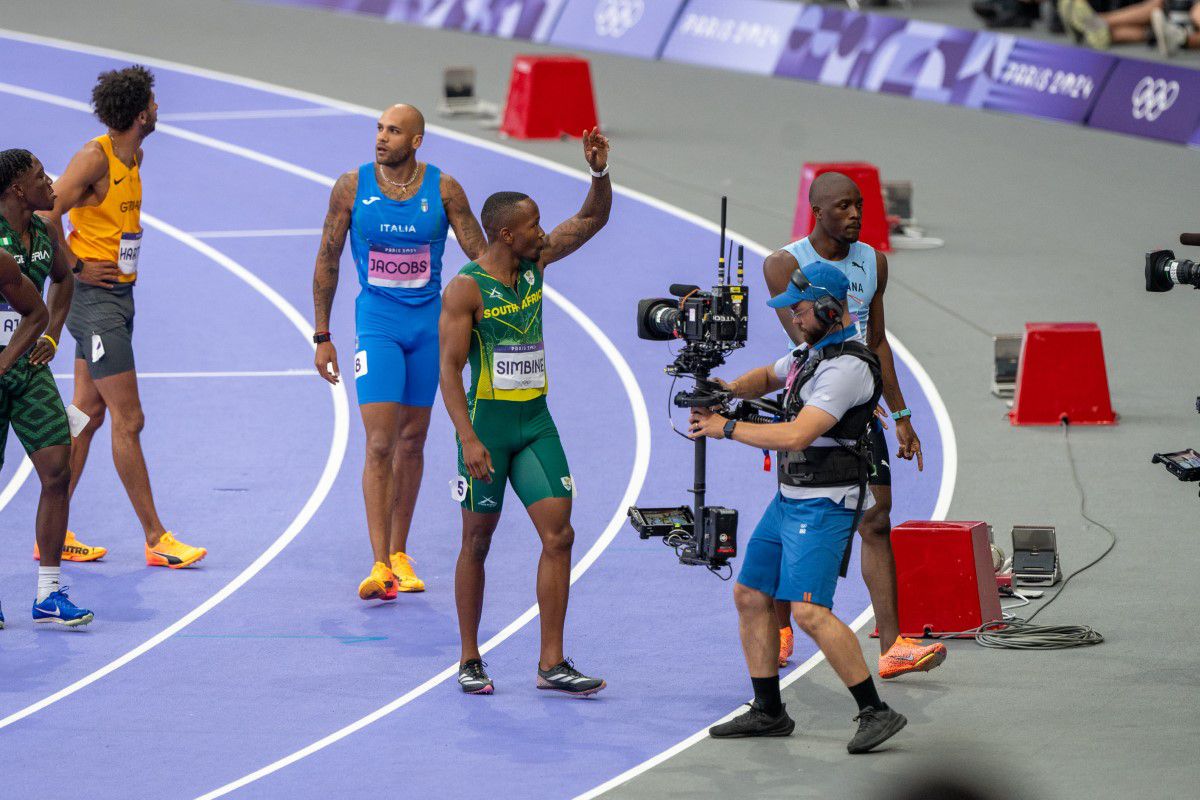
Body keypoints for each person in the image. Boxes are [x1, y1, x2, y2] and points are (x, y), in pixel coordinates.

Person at [691, 263, 906, 752]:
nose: (793, 316)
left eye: (800, 309)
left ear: (830, 309)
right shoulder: (811, 352)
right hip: (790, 498)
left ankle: (875, 710)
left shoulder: (846, 369)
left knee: (809, 612)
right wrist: (727, 391)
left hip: (824, 505)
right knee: (750, 595)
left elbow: (796, 434)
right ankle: (769, 710)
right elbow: (769, 375)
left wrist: (725, 427)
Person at [439, 129, 611, 696]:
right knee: (477, 542)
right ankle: (469, 656)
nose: (544, 232)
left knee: (559, 535)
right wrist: (467, 438)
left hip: (535, 423)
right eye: (534, 225)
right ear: (507, 234)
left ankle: (551, 662)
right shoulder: (467, 290)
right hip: (487, 426)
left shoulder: (536, 262)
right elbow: (450, 370)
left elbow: (591, 220)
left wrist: (598, 174)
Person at [763, 172, 946, 680]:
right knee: (794, 519)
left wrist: (903, 414)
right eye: (844, 206)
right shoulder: (784, 265)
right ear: (817, 211)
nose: (856, 215)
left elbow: (879, 340)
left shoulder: (873, 262)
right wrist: (852, 384)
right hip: (818, 403)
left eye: (860, 205)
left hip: (861, 401)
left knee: (877, 518)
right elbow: (810, 339)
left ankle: (893, 646)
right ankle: (779, 625)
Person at [311, 103, 488, 601]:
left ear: (416, 141)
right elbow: (327, 259)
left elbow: (482, 255)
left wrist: (526, 265)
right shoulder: (351, 187)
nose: (381, 138)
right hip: (379, 325)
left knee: (414, 441)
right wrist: (322, 335)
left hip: (429, 327)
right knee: (380, 443)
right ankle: (378, 563)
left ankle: (399, 551)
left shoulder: (445, 189)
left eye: (393, 131)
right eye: (379, 129)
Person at [45, 64, 206, 569]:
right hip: (95, 303)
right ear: (140, 114)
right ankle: (157, 538)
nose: (159, 108)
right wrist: (73, 264)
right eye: (154, 104)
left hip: (118, 298)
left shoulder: (131, 155)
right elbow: (44, 213)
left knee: (87, 414)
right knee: (128, 418)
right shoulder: (94, 159)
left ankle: (52, 530)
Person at [0, 149, 93, 627]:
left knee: (58, 468)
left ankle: (48, 594)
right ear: (17, 188)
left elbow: (63, 280)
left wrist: (53, 333)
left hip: (25, 367)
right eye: (39, 176)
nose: (50, 181)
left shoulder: (43, 233)